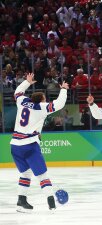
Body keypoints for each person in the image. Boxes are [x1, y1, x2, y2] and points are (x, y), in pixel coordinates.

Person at [10, 73, 69, 212]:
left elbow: (17, 92)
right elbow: (59, 104)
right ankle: (51, 203)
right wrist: (64, 89)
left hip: (15, 145)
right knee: (42, 175)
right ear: (42, 100)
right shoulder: (41, 108)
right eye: (44, 99)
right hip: (29, 144)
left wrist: (27, 82)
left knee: (25, 174)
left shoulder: (22, 101)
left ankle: (21, 201)